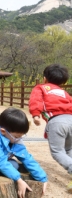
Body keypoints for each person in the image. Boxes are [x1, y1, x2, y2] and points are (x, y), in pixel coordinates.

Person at [29, 64, 72, 193]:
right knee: (69, 148)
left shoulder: (41, 88)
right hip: (71, 119)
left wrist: (36, 114)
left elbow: (36, 100)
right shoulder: (64, 92)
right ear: (63, 82)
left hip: (57, 121)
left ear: (44, 79)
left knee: (57, 152)